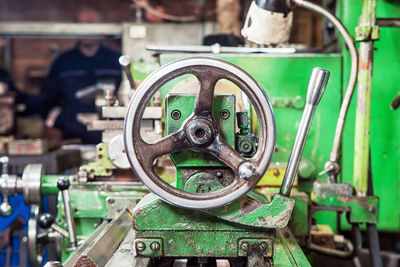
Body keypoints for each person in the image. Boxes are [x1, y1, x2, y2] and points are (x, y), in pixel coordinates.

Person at [41, 7, 122, 144]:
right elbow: (47, 99)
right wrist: (61, 120)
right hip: (72, 139)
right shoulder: (63, 62)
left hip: (110, 137)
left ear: (101, 26)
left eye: (90, 23)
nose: (85, 28)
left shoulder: (116, 61)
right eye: (80, 24)